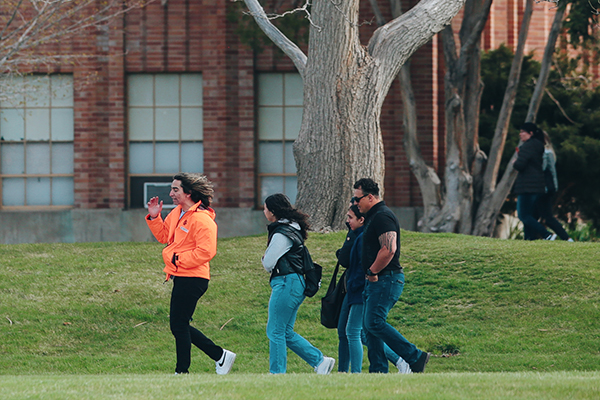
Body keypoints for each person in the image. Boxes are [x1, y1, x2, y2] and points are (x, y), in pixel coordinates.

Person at [146, 173, 236, 375]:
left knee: (178, 325)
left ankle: (184, 371)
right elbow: (163, 237)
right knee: (179, 325)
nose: (171, 193)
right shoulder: (177, 213)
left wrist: (178, 260)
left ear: (189, 193)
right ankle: (220, 356)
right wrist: (154, 216)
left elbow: (207, 252)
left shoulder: (202, 219)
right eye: (172, 189)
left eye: (175, 190)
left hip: (194, 278)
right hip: (182, 276)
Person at [353, 178, 430, 373]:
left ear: (370, 197)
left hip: (386, 278)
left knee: (374, 322)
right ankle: (378, 370)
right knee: (369, 328)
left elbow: (389, 249)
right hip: (377, 280)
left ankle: (415, 356)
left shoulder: (382, 216)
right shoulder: (373, 216)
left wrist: (372, 271)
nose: (355, 203)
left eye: (357, 199)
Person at [261, 193, 335, 374]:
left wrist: (264, 258)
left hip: (286, 282)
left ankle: (277, 374)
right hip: (294, 283)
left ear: (272, 211)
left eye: (265, 208)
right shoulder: (292, 229)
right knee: (285, 331)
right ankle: (320, 361)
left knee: (275, 331)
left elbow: (268, 262)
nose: (264, 211)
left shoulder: (282, 233)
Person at [337, 204, 411, 373]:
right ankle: (343, 371)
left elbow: (371, 260)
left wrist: (368, 277)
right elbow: (346, 259)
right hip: (352, 288)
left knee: (356, 331)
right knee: (347, 330)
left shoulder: (365, 237)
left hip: (361, 287)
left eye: (350, 217)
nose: (347, 221)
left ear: (361, 219)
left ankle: (397, 360)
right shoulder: (355, 235)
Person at [512, 122, 553, 240]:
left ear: (530, 133)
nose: (520, 134)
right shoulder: (538, 145)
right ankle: (529, 238)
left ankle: (546, 234)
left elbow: (520, 165)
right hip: (537, 185)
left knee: (523, 215)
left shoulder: (528, 146)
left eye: (522, 132)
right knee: (529, 215)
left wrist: (515, 162)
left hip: (527, 186)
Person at [535, 131, 573, 242]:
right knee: (534, 216)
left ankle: (562, 237)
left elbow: (543, 169)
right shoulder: (548, 152)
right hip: (546, 188)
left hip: (543, 189)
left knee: (544, 217)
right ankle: (535, 237)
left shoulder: (545, 153)